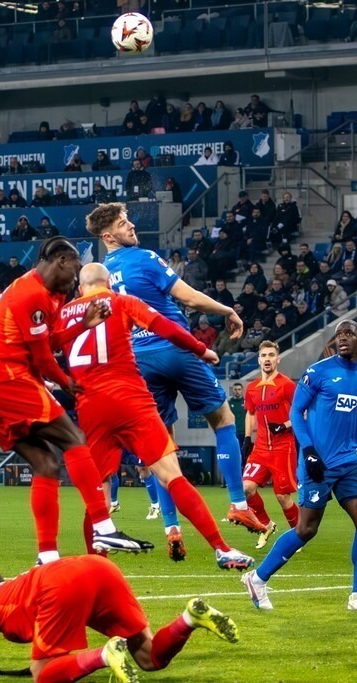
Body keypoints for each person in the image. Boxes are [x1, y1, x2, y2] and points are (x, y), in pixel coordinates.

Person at [92, 203, 269, 558]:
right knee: (224, 419)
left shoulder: (100, 277)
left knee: (163, 448)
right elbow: (186, 296)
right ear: (108, 236)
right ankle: (237, 501)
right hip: (173, 348)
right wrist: (228, 310)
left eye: (129, 221)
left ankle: (172, 528)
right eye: (123, 224)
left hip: (138, 361)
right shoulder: (142, 257)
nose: (131, 227)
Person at [55, 263, 254, 570]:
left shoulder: (66, 313)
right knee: (170, 473)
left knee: (99, 496)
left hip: (90, 407)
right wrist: (201, 350)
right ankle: (221, 548)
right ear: (108, 282)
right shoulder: (122, 301)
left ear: (81, 288)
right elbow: (167, 328)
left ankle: (95, 570)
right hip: (130, 398)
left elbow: (43, 346)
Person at [0, 237, 150, 563]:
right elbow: (42, 360)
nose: (77, 279)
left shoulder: (51, 294)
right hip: (4, 378)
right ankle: (104, 525)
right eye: (75, 269)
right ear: (62, 260)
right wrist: (67, 384)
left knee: (45, 464)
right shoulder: (31, 294)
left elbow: (48, 341)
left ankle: (47, 555)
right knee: (74, 439)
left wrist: (82, 323)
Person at [242, 320, 357, 613]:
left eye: (350, 334)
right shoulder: (318, 372)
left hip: (348, 462)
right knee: (306, 528)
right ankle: (257, 579)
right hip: (317, 461)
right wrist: (307, 450)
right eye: (339, 335)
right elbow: (297, 411)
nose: (343, 338)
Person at [0, 555, 239, 682]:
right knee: (149, 658)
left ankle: (105, 654)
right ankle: (188, 618)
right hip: (99, 568)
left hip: (60, 583)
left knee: (43, 672)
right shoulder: (16, 587)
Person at [242, 341, 300, 550]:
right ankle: (267, 524)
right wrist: (247, 440)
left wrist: (285, 425)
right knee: (245, 489)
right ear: (259, 359)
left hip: (283, 448)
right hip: (260, 448)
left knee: (283, 497)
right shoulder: (252, 388)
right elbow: (250, 413)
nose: (267, 359)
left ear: (278, 359)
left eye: (271, 355)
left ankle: (299, 535)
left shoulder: (287, 385)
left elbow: (302, 412)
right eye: (264, 355)